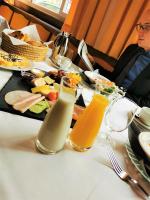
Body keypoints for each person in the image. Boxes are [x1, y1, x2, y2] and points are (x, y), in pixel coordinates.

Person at [96, 9, 150, 107]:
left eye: (147, 27)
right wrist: (93, 64)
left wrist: (116, 93)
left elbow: (147, 104)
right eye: (141, 26)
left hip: (127, 113)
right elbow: (113, 80)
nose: (140, 32)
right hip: (104, 98)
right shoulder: (131, 49)